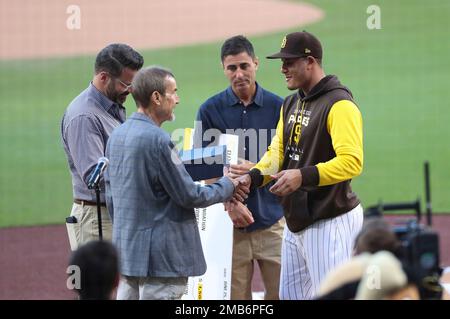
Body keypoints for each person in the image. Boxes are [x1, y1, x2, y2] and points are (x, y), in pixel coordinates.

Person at [235, 31, 364, 299]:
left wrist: (301, 176)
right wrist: (255, 176)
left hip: (329, 217)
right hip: (296, 220)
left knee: (330, 296)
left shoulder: (339, 104)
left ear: (310, 62)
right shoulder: (291, 103)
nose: (283, 69)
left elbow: (352, 162)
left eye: (289, 62)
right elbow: (279, 151)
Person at [105, 66, 252, 300]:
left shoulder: (117, 136)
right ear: (156, 97)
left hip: (128, 255)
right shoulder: (160, 140)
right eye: (173, 92)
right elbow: (190, 195)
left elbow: (111, 196)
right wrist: (228, 184)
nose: (177, 99)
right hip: (162, 262)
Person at [194, 35, 284, 300]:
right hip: (230, 227)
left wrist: (256, 170)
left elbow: (290, 165)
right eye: (232, 67)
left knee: (283, 294)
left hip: (273, 222)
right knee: (235, 300)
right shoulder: (209, 110)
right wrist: (231, 205)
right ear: (224, 69)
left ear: (256, 63)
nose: (239, 73)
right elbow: (204, 170)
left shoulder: (280, 107)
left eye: (244, 65)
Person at [61, 44, 144, 250]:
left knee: (125, 282)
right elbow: (94, 177)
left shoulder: (111, 105)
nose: (131, 90)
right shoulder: (84, 116)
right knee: (98, 283)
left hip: (115, 215)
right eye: (126, 84)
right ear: (104, 77)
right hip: (97, 220)